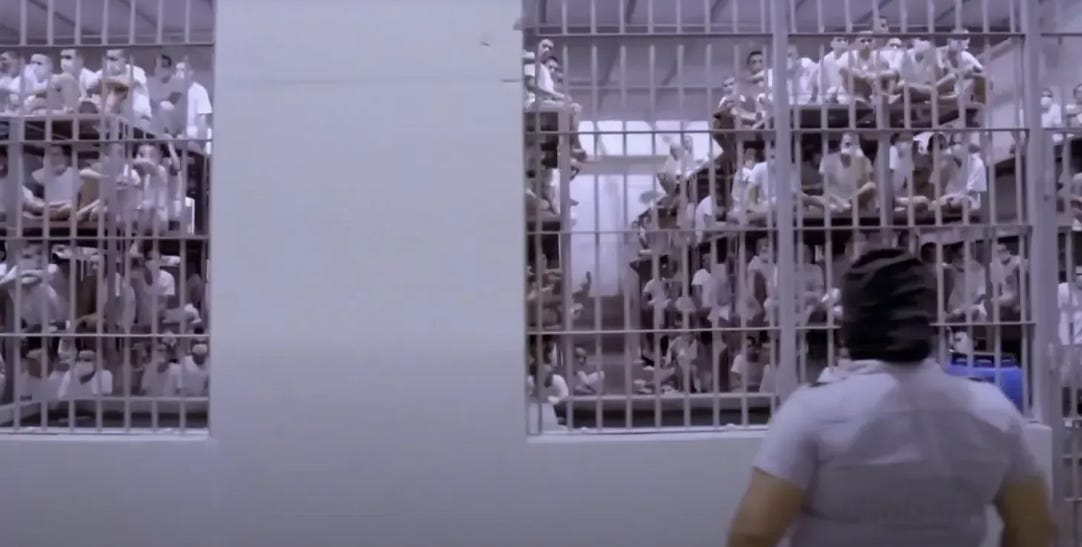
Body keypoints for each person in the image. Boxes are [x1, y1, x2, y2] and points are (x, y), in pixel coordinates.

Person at [727, 246, 1054, 547]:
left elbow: (753, 535)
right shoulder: (991, 410)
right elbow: (1034, 528)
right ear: (928, 320)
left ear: (850, 325)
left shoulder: (812, 411)